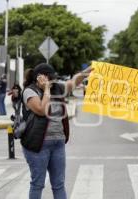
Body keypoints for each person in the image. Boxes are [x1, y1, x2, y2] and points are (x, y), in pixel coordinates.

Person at [21, 63, 92, 199]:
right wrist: (46, 90)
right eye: (50, 79)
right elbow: (41, 110)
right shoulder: (30, 91)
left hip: (58, 143)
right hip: (38, 145)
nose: (53, 81)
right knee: (38, 184)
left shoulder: (58, 88)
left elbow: (73, 82)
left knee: (58, 184)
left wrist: (87, 71)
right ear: (40, 78)